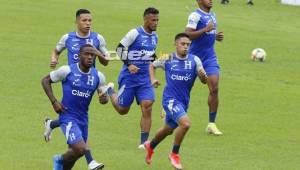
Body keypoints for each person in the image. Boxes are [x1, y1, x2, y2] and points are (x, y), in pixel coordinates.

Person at [44, 9, 109, 170]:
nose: (88, 24)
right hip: (72, 82)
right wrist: (54, 59)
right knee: (80, 148)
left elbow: (106, 61)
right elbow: (56, 52)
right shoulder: (67, 40)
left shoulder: (97, 40)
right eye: (84, 20)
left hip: (87, 90)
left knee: (74, 153)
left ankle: (52, 124)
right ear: (77, 22)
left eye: (90, 21)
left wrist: (104, 98)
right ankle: (74, 160)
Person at [144, 33, 207, 170]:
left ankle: (151, 145)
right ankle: (174, 154)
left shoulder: (195, 60)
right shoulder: (167, 57)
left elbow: (204, 80)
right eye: (182, 44)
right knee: (185, 124)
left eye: (188, 45)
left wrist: (203, 78)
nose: (185, 47)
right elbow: (151, 65)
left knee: (168, 130)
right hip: (170, 100)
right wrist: (153, 79)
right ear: (175, 44)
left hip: (184, 101)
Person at [105, 7, 159, 149]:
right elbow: (119, 49)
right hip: (129, 78)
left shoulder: (155, 37)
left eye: (157, 20)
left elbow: (151, 55)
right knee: (123, 110)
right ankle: (110, 90)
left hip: (145, 79)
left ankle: (143, 143)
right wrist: (129, 65)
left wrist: (157, 67)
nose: (156, 23)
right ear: (145, 19)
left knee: (147, 106)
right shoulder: (134, 33)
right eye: (153, 20)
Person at [185, 0, 224, 135]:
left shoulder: (212, 15)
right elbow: (187, 34)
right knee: (184, 89)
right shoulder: (195, 16)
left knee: (214, 88)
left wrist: (215, 36)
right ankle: (171, 111)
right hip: (194, 58)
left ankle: (211, 124)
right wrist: (205, 30)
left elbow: (208, 34)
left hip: (209, 58)